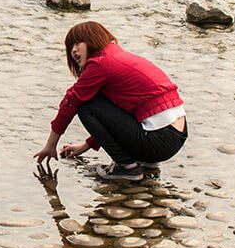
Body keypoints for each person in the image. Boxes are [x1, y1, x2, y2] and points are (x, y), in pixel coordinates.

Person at [33, 21, 187, 182]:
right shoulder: (117, 57)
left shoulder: (101, 63)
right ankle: (145, 161)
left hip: (159, 140)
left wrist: (51, 145)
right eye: (70, 47)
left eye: (78, 42)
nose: (73, 50)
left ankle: (127, 167)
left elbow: (70, 101)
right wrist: (85, 146)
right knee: (96, 103)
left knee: (85, 106)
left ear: (93, 39)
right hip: (175, 137)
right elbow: (117, 121)